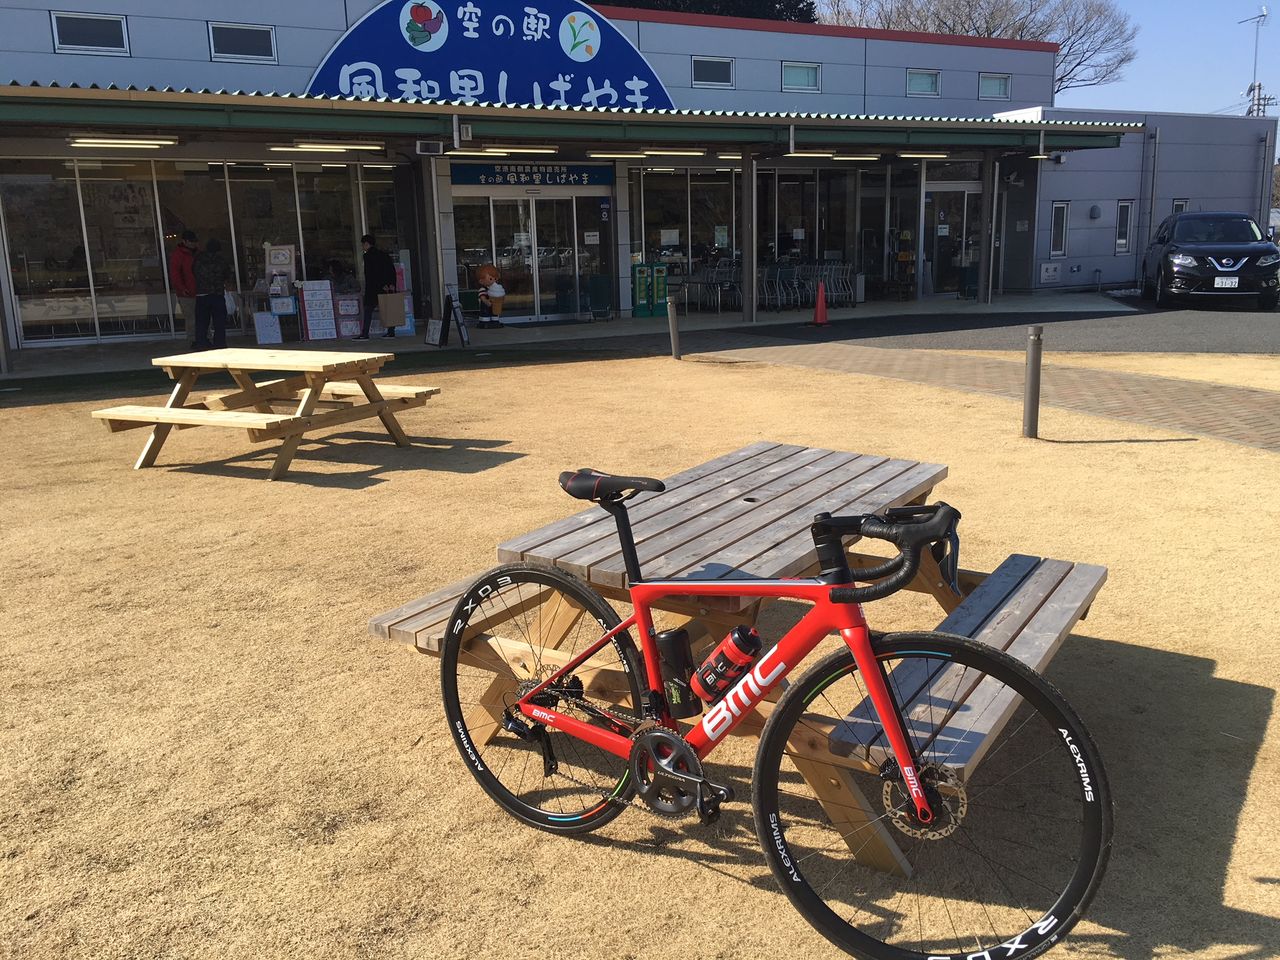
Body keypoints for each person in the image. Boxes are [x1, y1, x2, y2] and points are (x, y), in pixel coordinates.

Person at [192, 238, 231, 350]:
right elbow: (227, 274)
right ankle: (220, 343)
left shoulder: (198, 259)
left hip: (202, 294)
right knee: (219, 322)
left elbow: (193, 271)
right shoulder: (221, 260)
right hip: (217, 294)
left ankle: (201, 343)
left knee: (201, 322)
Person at [356, 234, 397, 340]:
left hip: (373, 287)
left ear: (367, 244)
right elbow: (391, 270)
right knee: (389, 308)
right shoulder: (384, 255)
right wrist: (391, 284)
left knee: (368, 309)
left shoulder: (368, 256)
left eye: (363, 245)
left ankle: (365, 333)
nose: (363, 247)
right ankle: (391, 332)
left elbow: (371, 274)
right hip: (386, 287)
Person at [168, 230, 198, 340]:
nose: (193, 243)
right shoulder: (178, 255)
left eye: (194, 241)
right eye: (191, 241)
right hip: (186, 293)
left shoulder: (197, 253)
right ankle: (193, 340)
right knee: (191, 318)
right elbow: (175, 274)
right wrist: (182, 288)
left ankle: (205, 337)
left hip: (200, 290)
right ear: (184, 241)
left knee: (204, 317)